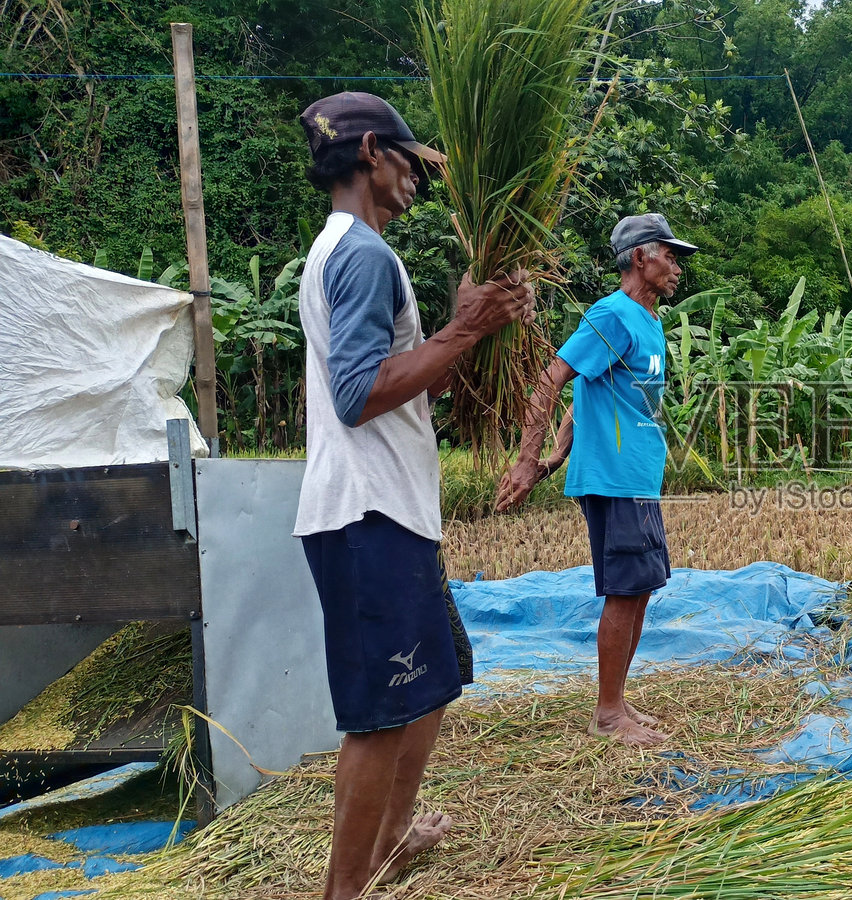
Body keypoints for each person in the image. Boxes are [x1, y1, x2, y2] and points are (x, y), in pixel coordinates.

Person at [291, 92, 532, 900]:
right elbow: (359, 394)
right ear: (370, 152)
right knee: (381, 712)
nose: (415, 180)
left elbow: (395, 382)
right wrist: (467, 330)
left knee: (437, 676)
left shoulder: (353, 253)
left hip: (391, 511)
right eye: (407, 161)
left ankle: (392, 841)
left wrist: (467, 329)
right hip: (366, 516)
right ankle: (345, 890)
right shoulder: (359, 254)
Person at [494, 212, 697, 747]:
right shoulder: (611, 315)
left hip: (638, 478)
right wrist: (526, 460)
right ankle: (606, 716)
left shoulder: (648, 322)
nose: (677, 267)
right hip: (614, 479)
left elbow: (585, 400)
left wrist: (555, 457)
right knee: (625, 593)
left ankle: (618, 702)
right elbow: (551, 380)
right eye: (670, 255)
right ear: (640, 257)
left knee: (641, 589)